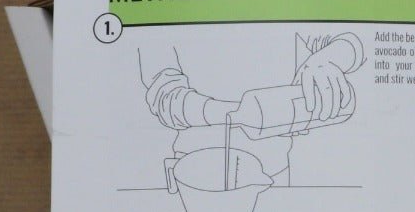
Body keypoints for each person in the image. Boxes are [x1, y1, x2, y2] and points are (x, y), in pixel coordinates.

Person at [138, 30, 364, 183]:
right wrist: (236, 114)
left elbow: (353, 43)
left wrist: (328, 58)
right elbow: (166, 96)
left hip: (273, 176)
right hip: (196, 176)